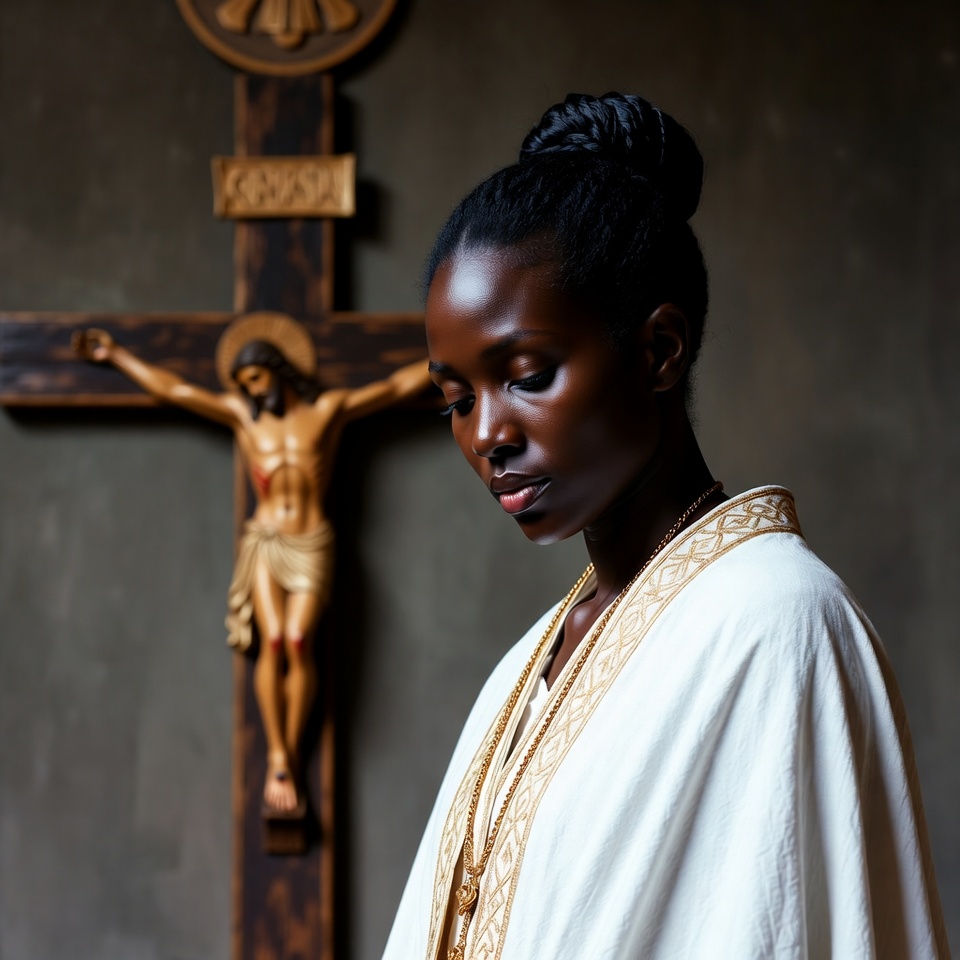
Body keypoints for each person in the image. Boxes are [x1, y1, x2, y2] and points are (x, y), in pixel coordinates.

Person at [382, 94, 949, 959]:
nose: (487, 434)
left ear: (658, 350)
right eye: (457, 400)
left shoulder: (779, 621)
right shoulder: (525, 668)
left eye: (527, 375)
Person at [74, 312, 432, 814]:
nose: (249, 389)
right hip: (264, 540)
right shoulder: (245, 418)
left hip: (310, 541)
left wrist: (450, 352)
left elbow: (394, 387)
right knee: (273, 642)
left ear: (277, 368)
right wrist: (116, 356)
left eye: (255, 378)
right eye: (242, 383)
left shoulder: (327, 410)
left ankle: (291, 747)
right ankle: (280, 758)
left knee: (298, 639)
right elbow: (176, 392)